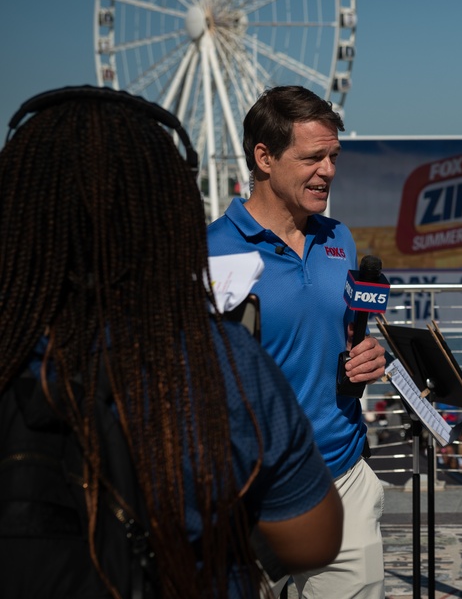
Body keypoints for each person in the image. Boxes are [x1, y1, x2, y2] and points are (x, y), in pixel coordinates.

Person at [0, 86, 343, 597]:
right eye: (315, 156)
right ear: (166, 211)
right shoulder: (220, 363)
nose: (328, 170)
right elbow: (314, 541)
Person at [207, 85, 387, 598]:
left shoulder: (341, 239)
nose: (328, 171)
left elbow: (350, 332)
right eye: (312, 157)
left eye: (333, 156)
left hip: (345, 477)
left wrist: (365, 356)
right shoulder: (210, 252)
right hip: (251, 492)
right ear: (263, 157)